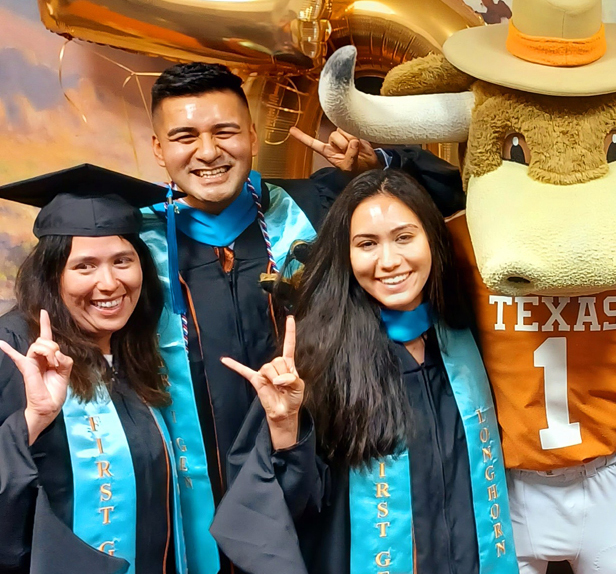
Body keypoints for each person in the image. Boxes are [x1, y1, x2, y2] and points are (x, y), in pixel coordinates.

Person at [141, 62, 459, 571]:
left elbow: (444, 198)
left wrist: (371, 164)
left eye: (225, 131)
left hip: (326, 491)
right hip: (190, 507)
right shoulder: (134, 250)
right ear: (159, 149)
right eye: (184, 136)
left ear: (251, 134)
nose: (207, 152)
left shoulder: (315, 205)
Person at [208, 169, 516, 574]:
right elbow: (290, 508)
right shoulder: (319, 357)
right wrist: (286, 432)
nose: (389, 261)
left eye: (404, 237)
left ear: (433, 241)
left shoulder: (464, 335)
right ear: (346, 256)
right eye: (367, 244)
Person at [0, 165, 185, 573]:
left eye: (122, 260)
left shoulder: (134, 346)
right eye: (84, 266)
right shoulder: (12, 351)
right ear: (52, 274)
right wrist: (31, 421)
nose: (110, 283)